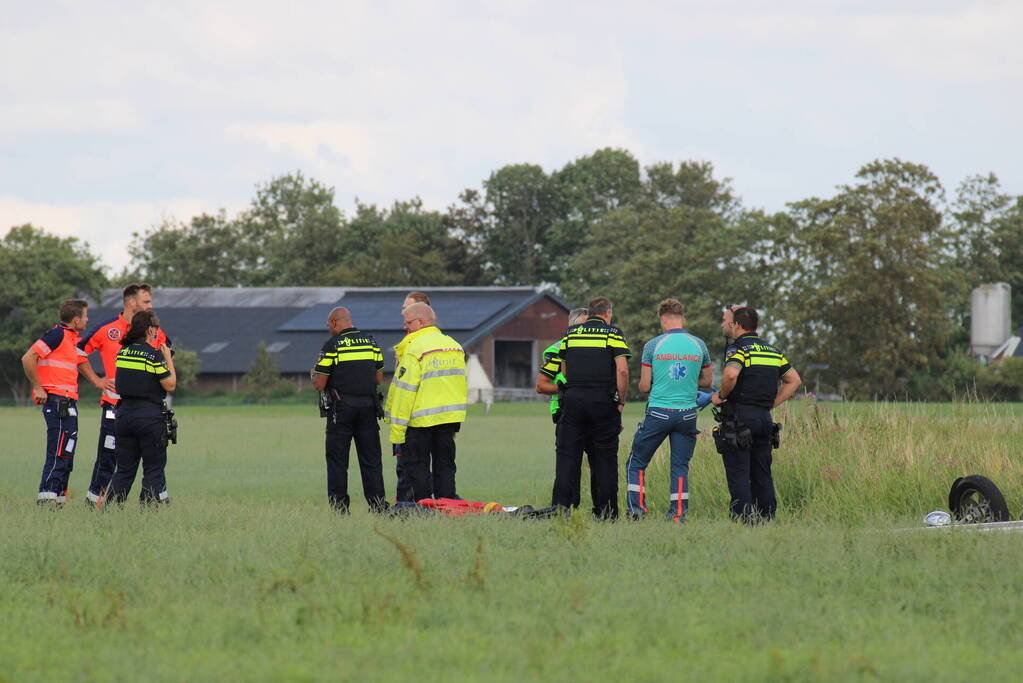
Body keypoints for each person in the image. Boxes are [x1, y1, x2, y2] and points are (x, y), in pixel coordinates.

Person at [77, 283, 171, 507]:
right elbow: (78, 351)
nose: (151, 305)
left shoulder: (154, 330)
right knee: (109, 457)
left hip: (147, 407)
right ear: (132, 302)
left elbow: (168, 356)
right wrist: (97, 380)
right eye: (146, 301)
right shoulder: (108, 328)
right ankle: (95, 503)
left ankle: (158, 502)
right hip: (115, 406)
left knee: (153, 459)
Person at [625, 299, 713, 522]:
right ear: (682, 318)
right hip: (687, 413)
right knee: (680, 466)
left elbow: (644, 386)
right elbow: (708, 381)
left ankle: (637, 510)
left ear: (663, 319)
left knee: (637, 462)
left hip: (659, 412)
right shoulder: (699, 345)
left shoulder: (653, 345)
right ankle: (678, 515)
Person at [711, 306, 801, 522]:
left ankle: (742, 520)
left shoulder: (739, 349)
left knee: (739, 472)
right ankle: (766, 518)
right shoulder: (773, 351)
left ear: (738, 325)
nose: (724, 325)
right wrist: (771, 404)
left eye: (727, 321)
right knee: (762, 473)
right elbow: (794, 380)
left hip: (740, 418)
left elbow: (731, 375)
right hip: (763, 419)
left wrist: (720, 395)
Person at [548, 296, 630, 519]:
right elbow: (622, 370)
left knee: (567, 456)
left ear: (590, 313)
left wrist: (574, 385)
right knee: (604, 458)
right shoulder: (613, 334)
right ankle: (606, 513)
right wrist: (620, 400)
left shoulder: (571, 334)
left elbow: (563, 368)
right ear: (608, 313)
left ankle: (562, 509)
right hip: (603, 401)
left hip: (573, 399)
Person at [311, 307, 388, 513]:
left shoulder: (332, 345)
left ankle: (340, 509)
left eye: (329, 325)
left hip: (341, 408)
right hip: (369, 407)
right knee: (371, 459)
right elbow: (379, 378)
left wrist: (313, 375)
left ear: (335, 323)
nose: (329, 329)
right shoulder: (371, 342)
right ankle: (378, 506)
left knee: (338, 461)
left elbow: (319, 383)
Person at [389, 302, 467, 502]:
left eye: (408, 323)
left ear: (420, 322)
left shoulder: (415, 349)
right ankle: (448, 507)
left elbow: (404, 393)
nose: (405, 327)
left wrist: (397, 432)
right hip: (449, 419)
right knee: (446, 466)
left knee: (417, 468)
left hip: (420, 422)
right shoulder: (454, 346)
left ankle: (425, 509)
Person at [22, 299, 96, 505]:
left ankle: (58, 499)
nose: (88, 319)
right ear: (75, 319)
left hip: (68, 401)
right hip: (57, 401)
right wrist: (38, 387)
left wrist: (97, 381)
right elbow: (28, 358)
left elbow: (81, 361)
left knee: (67, 452)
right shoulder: (57, 335)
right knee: (59, 450)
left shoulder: (72, 338)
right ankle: (46, 498)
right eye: (85, 315)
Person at [104, 310, 177, 506]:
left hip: (124, 416)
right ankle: (147, 512)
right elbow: (170, 385)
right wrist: (167, 357)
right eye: (156, 328)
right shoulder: (153, 356)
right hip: (149, 417)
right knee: (153, 468)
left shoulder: (123, 352)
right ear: (150, 330)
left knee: (125, 469)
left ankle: (109, 510)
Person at [536, 307, 593, 508]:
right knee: (569, 463)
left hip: (594, 410)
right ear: (572, 325)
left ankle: (602, 510)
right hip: (565, 410)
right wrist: (564, 389)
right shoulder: (556, 349)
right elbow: (541, 386)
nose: (587, 330)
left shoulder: (598, 348)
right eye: (584, 325)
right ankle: (563, 507)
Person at [385, 291, 431, 502]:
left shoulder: (419, 344)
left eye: (406, 307)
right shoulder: (408, 339)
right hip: (407, 410)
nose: (402, 311)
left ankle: (408, 504)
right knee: (405, 463)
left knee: (410, 463)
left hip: (414, 413)